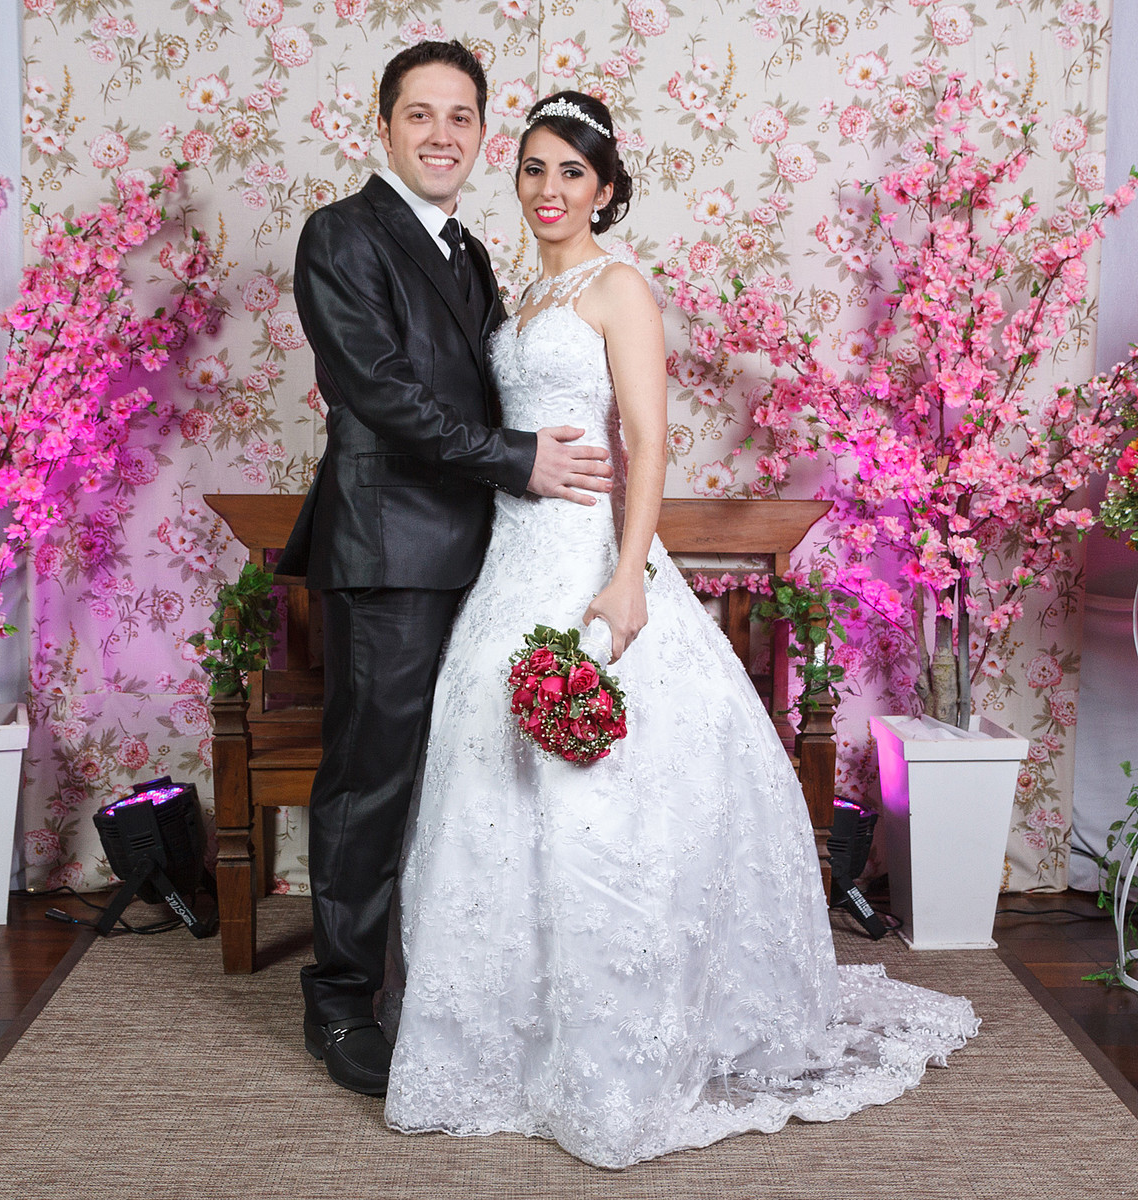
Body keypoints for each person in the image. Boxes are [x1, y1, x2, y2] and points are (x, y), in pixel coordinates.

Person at [382, 91, 980, 1169]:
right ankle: (505, 1045)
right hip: (508, 561)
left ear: (606, 189)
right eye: (533, 170)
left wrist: (625, 582)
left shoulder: (618, 289)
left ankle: (621, 1040)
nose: (550, 190)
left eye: (572, 172)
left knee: (595, 797)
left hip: (585, 563)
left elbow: (645, 444)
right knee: (487, 782)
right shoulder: (517, 297)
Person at [280, 45, 613, 1099]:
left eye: (461, 117)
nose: (440, 134)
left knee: (457, 785)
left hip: (484, 557)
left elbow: (490, 388)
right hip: (388, 553)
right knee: (370, 779)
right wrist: (524, 462)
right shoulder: (342, 233)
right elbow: (376, 392)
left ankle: (434, 977)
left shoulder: (466, 250)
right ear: (383, 127)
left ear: (480, 133)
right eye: (419, 114)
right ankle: (337, 1004)